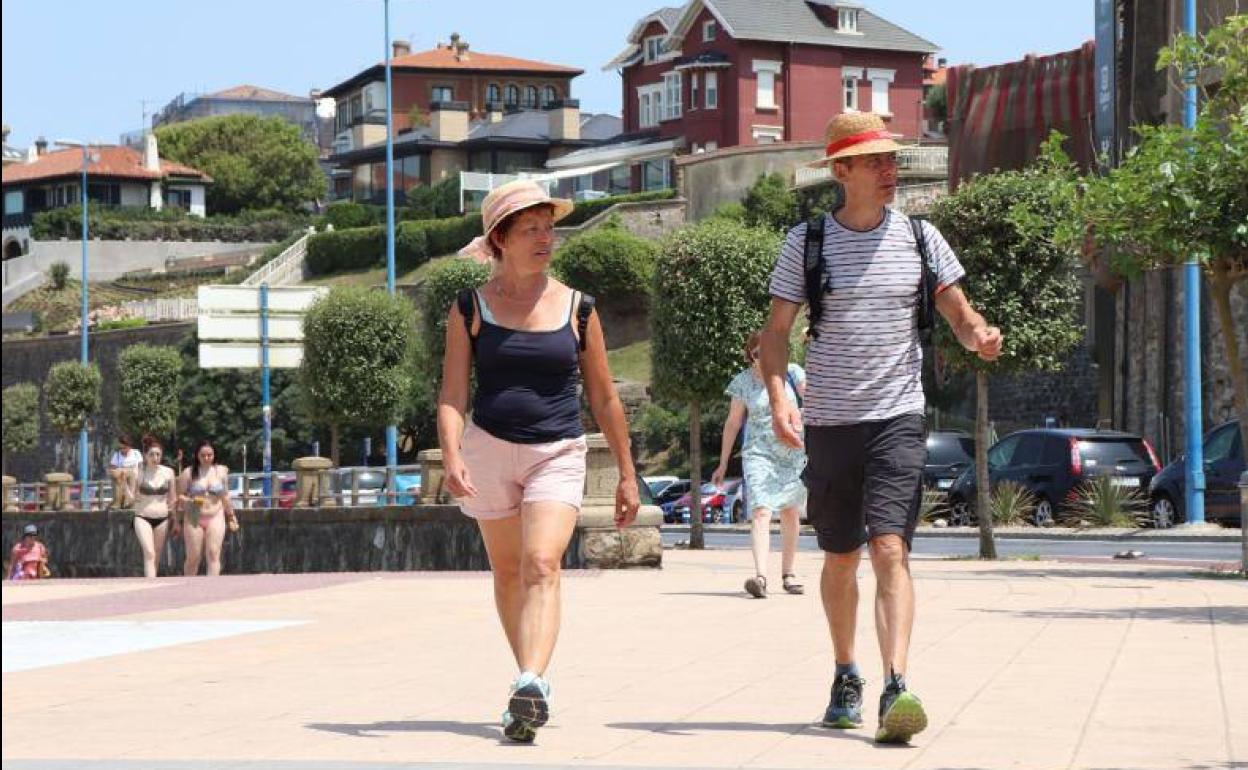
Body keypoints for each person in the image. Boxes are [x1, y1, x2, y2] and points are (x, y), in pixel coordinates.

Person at [760, 113, 1003, 744]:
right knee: (840, 556)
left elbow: (957, 309)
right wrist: (779, 394)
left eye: (892, 159)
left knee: (890, 546)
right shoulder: (805, 244)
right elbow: (777, 331)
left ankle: (897, 684)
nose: (889, 169)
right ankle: (847, 673)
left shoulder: (922, 238)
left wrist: (977, 334)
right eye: (874, 161)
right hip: (832, 420)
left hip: (898, 414)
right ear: (840, 171)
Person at [441, 179, 640, 743]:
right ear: (500, 239)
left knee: (542, 563)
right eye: (531, 228)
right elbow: (453, 393)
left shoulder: (579, 308)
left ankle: (531, 680)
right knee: (507, 572)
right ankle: (526, 686)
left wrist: (627, 473)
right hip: (488, 450)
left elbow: (604, 397)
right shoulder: (468, 308)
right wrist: (453, 453)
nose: (545, 237)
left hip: (557, 450)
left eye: (549, 227)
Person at [711, 330, 807, 598]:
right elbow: (733, 423)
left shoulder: (792, 373)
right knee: (761, 510)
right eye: (756, 354)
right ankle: (761, 576)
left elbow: (811, 396)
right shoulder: (742, 382)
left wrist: (803, 412)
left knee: (790, 511)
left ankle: (789, 573)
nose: (762, 359)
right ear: (750, 356)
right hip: (758, 453)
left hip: (791, 451)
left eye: (768, 352)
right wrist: (722, 463)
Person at [176, 439, 239, 577]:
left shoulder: (221, 471)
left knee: (213, 553)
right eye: (202, 455)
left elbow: (225, 496)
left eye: (209, 455)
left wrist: (231, 515)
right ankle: (188, 585)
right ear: (197, 456)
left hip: (215, 513)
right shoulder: (188, 473)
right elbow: (179, 497)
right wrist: (188, 501)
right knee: (193, 556)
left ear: (214, 455)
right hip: (194, 514)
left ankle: (212, 587)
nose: (206, 458)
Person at [132, 435, 177, 578]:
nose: (155, 458)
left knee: (156, 556)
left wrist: (175, 520)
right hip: (142, 516)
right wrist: (126, 489)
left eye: (158, 454)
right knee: (149, 553)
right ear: (145, 455)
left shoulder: (168, 472)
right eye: (151, 454)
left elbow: (172, 499)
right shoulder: (137, 471)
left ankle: (152, 583)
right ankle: (149, 583)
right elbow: (131, 496)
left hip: (162, 517)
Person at [107, 434, 142, 510]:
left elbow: (141, 468)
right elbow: (112, 470)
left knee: (131, 474)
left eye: (124, 448)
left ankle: (129, 500)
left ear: (129, 446)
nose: (122, 450)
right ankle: (119, 501)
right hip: (122, 480)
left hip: (134, 480)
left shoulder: (136, 453)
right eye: (121, 448)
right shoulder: (117, 455)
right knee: (121, 474)